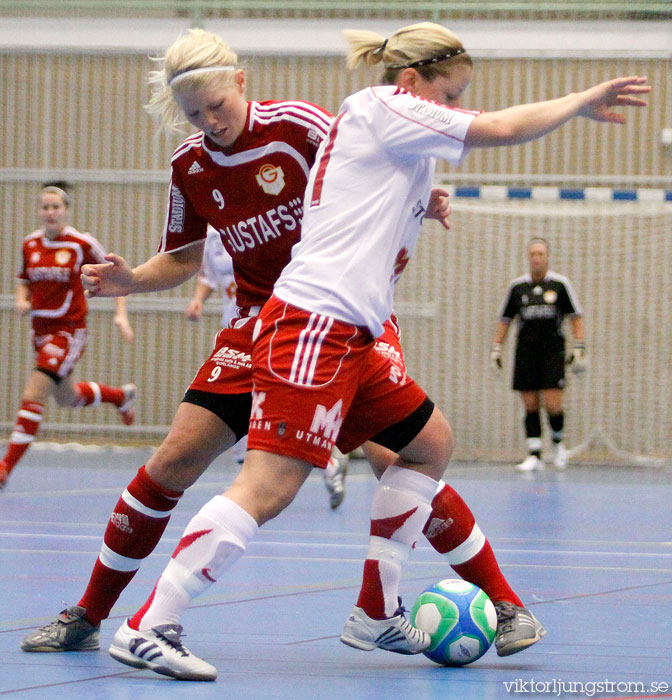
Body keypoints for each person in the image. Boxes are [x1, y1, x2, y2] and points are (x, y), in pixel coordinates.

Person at [93, 23, 647, 680]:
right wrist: (578, 101)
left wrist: (426, 196)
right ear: (411, 84)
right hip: (312, 323)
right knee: (268, 487)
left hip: (353, 331)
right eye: (449, 93)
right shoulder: (384, 108)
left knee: (428, 444)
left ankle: (375, 610)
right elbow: (499, 128)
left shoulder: (395, 139)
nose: (454, 107)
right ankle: (150, 622)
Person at [184, 227, 346, 506]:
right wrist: (198, 299)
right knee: (230, 417)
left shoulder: (269, 222)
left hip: (275, 330)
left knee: (280, 409)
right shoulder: (212, 234)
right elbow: (209, 275)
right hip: (234, 332)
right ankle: (248, 488)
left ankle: (328, 461)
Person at [0, 184, 135, 490]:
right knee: (66, 397)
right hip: (40, 331)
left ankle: (5, 466)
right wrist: (22, 299)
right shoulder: (30, 244)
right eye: (45, 207)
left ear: (65, 210)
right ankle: (120, 397)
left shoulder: (79, 243)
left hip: (69, 330)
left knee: (34, 392)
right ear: (39, 211)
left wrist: (120, 314)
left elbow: (116, 273)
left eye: (55, 207)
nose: (50, 212)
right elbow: (24, 280)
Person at [490, 238, 586, 472]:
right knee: (530, 403)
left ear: (547, 257)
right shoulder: (517, 287)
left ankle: (558, 445)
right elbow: (505, 320)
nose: (537, 258)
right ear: (528, 257)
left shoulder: (560, 285)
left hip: (552, 352)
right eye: (533, 253)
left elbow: (576, 317)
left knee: (553, 403)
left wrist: (579, 346)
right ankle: (534, 454)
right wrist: (496, 348)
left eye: (541, 253)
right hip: (525, 352)